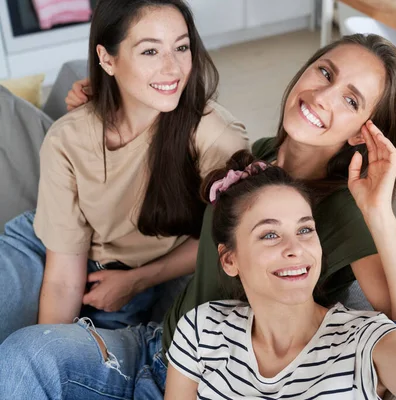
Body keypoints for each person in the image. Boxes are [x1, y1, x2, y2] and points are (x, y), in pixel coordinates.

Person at [0, 33, 396, 398]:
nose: (322, 96)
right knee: (26, 353)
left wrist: (380, 212)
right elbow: (217, 247)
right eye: (324, 72)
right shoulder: (262, 154)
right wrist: (121, 99)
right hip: (157, 347)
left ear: (365, 128)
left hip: (210, 382)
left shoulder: (346, 209)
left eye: (350, 100)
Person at [164, 135, 396, 398]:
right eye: (269, 235)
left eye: (305, 230)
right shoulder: (203, 328)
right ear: (229, 260)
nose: (296, 248)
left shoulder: (362, 340)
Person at [0, 0, 248, 343]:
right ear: (107, 59)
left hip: (126, 277)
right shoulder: (67, 137)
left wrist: (140, 280)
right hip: (42, 244)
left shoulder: (215, 136)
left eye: (181, 47)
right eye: (150, 51)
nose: (172, 67)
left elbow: (230, 238)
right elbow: (62, 276)